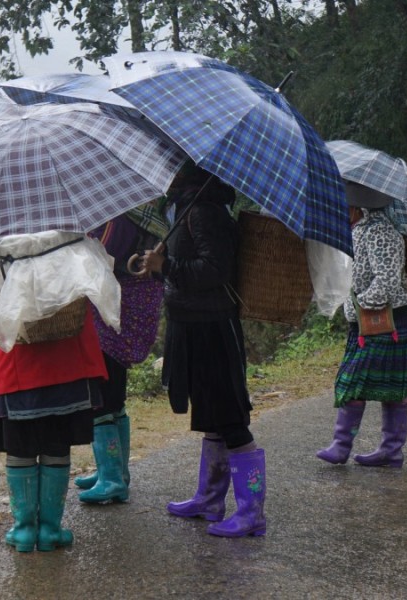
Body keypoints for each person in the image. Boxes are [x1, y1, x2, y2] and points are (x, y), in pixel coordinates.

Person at [0, 243, 108, 552]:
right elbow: (95, 274)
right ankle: (50, 530)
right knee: (57, 443)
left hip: (17, 362)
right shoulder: (68, 223)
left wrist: (2, 321)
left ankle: (23, 531)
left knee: (20, 446)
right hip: (69, 358)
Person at [140, 164, 266, 538]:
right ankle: (210, 499)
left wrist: (166, 264)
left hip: (213, 328)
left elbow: (215, 271)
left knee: (230, 419)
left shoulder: (205, 211)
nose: (166, 174)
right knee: (210, 416)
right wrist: (160, 267)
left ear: (189, 173)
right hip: (190, 325)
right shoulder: (186, 208)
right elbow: (186, 269)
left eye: (174, 169)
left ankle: (252, 513)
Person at [316, 181, 407, 467]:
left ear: (356, 205)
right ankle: (378, 449)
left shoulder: (381, 231)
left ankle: (357, 447)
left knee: (360, 383)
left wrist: (360, 305)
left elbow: (387, 280)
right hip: (365, 321)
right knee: (373, 384)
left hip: (387, 320)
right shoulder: (358, 229)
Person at [74, 208, 166, 504]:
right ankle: (115, 471)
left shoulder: (119, 220)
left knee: (102, 392)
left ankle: (112, 477)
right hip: (119, 309)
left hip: (116, 311)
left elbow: (102, 257)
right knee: (113, 392)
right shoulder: (133, 214)